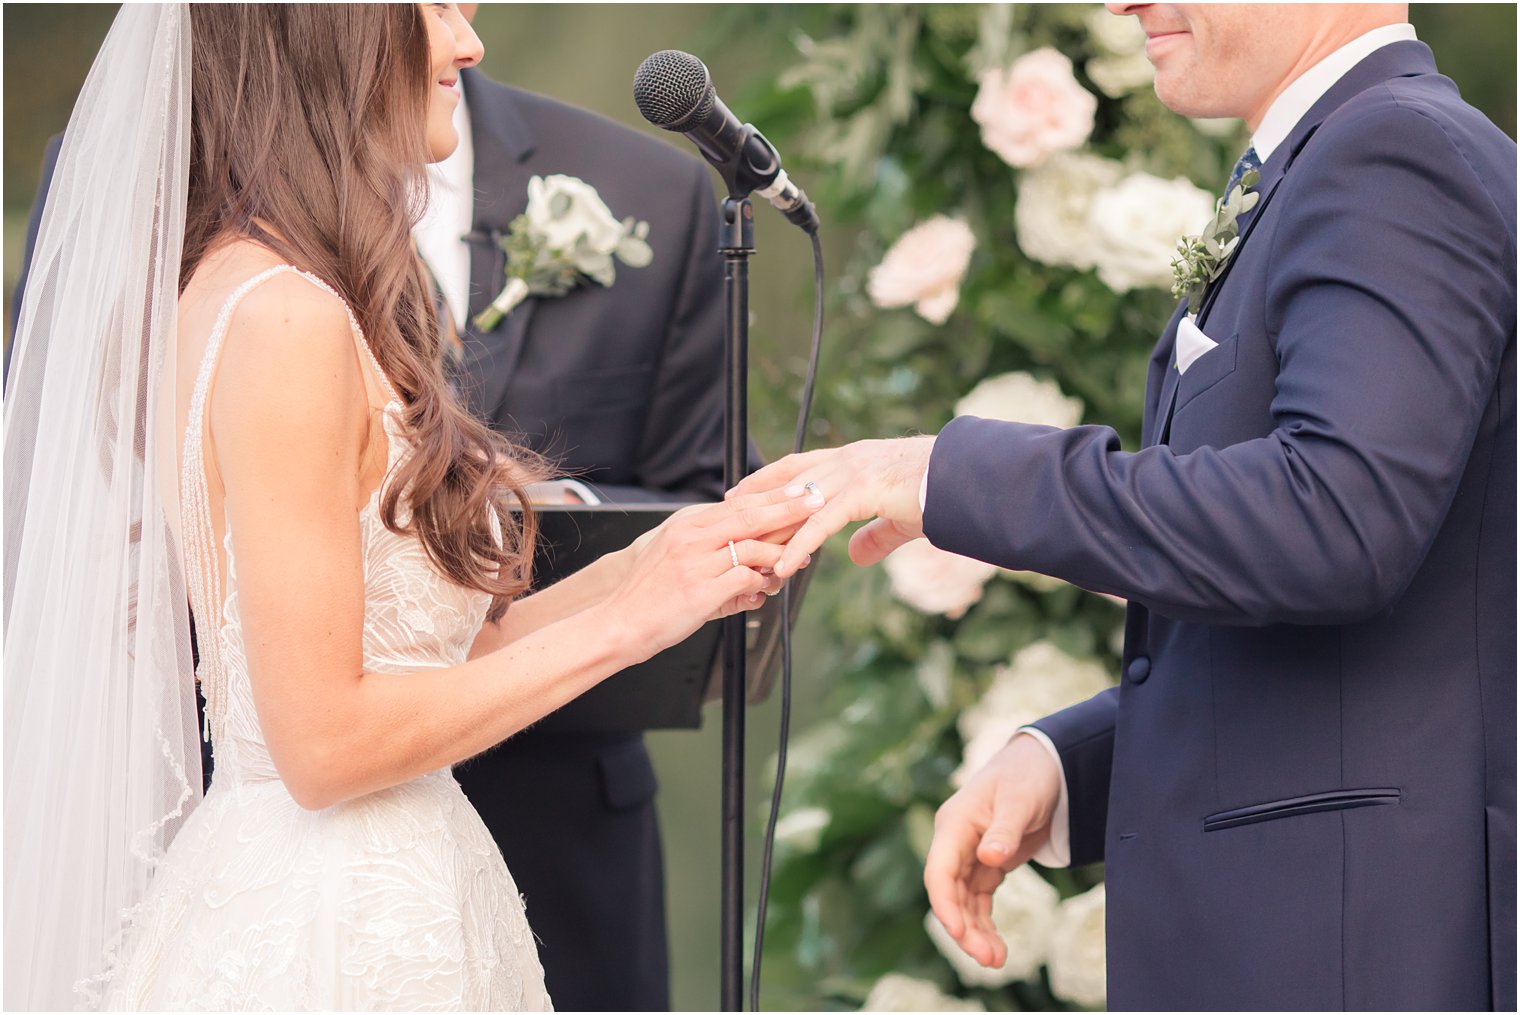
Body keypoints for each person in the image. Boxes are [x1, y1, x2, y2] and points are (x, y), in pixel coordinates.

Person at [2, 5, 817, 1010]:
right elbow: (324, 742)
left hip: (390, 889)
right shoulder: (286, 319)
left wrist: (655, 570)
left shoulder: (269, 282)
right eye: (430, 7)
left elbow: (416, 658)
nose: (469, 46)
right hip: (337, 933)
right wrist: (617, 623)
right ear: (328, 31)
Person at [736, 3, 1515, 1009]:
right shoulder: (1331, 156)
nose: (1120, 2)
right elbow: (1364, 636)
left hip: (1350, 953)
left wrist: (946, 477)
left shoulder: (1393, 156)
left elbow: (1334, 519)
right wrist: (1072, 762)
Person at [412, 7, 728, 1006]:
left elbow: (710, 503)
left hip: (561, 852)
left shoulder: (649, 189)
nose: (469, 38)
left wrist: (556, 509)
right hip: (280, 835)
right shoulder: (179, 180)